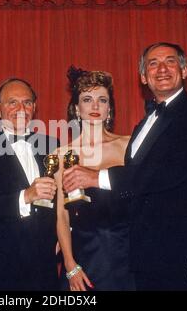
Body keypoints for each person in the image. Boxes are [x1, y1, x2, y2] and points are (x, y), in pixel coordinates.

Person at [62, 43, 187, 290]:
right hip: (142, 260)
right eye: (153, 64)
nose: (162, 69)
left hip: (185, 257)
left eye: (170, 61)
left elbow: (167, 173)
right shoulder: (141, 128)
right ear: (143, 77)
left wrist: (97, 178)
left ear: (184, 70)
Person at [0, 78, 59, 290]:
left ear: (34, 107)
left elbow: (66, 198)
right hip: (1, 267)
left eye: (27, 102)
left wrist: (64, 233)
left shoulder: (52, 145)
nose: (21, 109)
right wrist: (25, 196)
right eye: (12, 103)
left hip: (44, 267)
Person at [55, 66, 135, 291]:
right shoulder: (61, 154)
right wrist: (70, 265)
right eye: (87, 99)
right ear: (76, 108)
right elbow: (61, 215)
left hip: (126, 254)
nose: (95, 106)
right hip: (83, 258)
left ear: (110, 108)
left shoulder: (128, 145)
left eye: (102, 100)